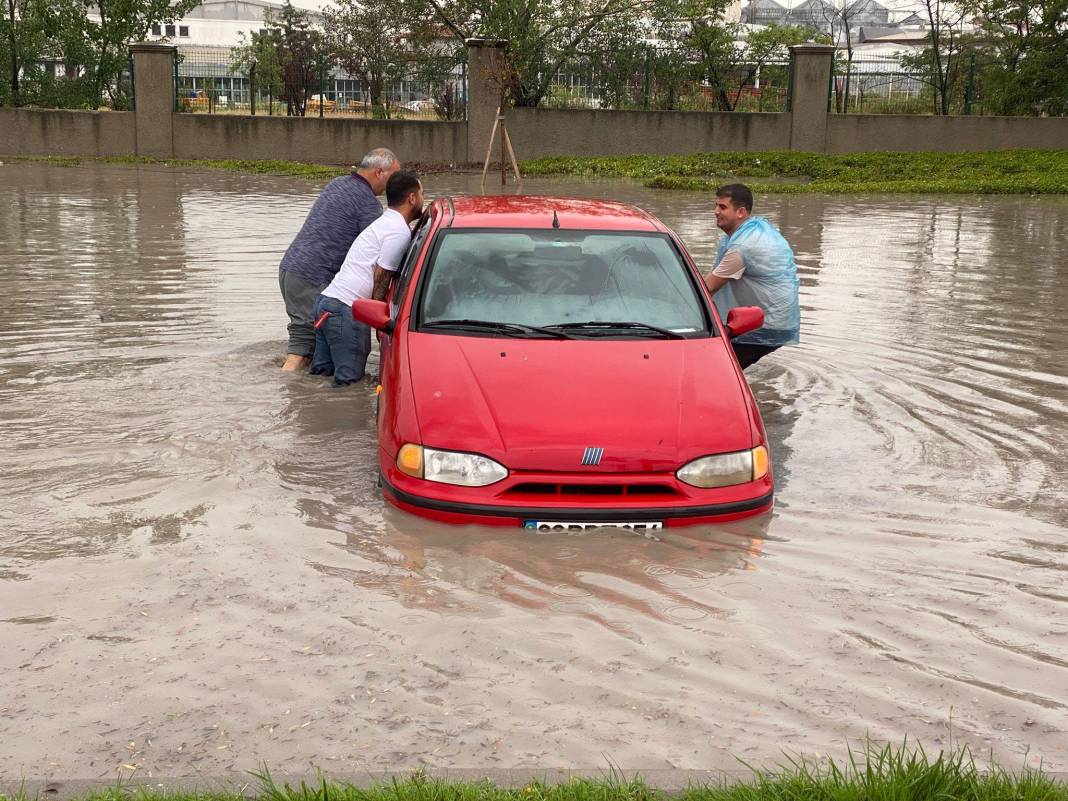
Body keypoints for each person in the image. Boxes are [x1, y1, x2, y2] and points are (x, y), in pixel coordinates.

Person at [278, 147, 401, 372]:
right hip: (312, 277)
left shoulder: (338, 183)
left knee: (311, 339)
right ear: (379, 172)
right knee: (302, 348)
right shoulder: (367, 203)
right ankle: (289, 392)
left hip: (290, 269)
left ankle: (305, 390)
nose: (395, 184)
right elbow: (383, 249)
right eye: (394, 176)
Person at [310, 170, 425, 386]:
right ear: (412, 198)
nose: (422, 199)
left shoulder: (384, 222)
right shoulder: (398, 231)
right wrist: (379, 324)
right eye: (422, 194)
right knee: (349, 385)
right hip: (346, 310)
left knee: (320, 380)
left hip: (326, 303)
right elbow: (381, 277)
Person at [704, 183, 800, 369]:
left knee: (716, 369)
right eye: (715, 205)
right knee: (724, 366)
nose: (715, 211)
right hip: (777, 321)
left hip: (766, 326)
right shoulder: (753, 232)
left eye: (722, 207)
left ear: (740, 212)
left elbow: (708, 288)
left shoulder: (743, 246)